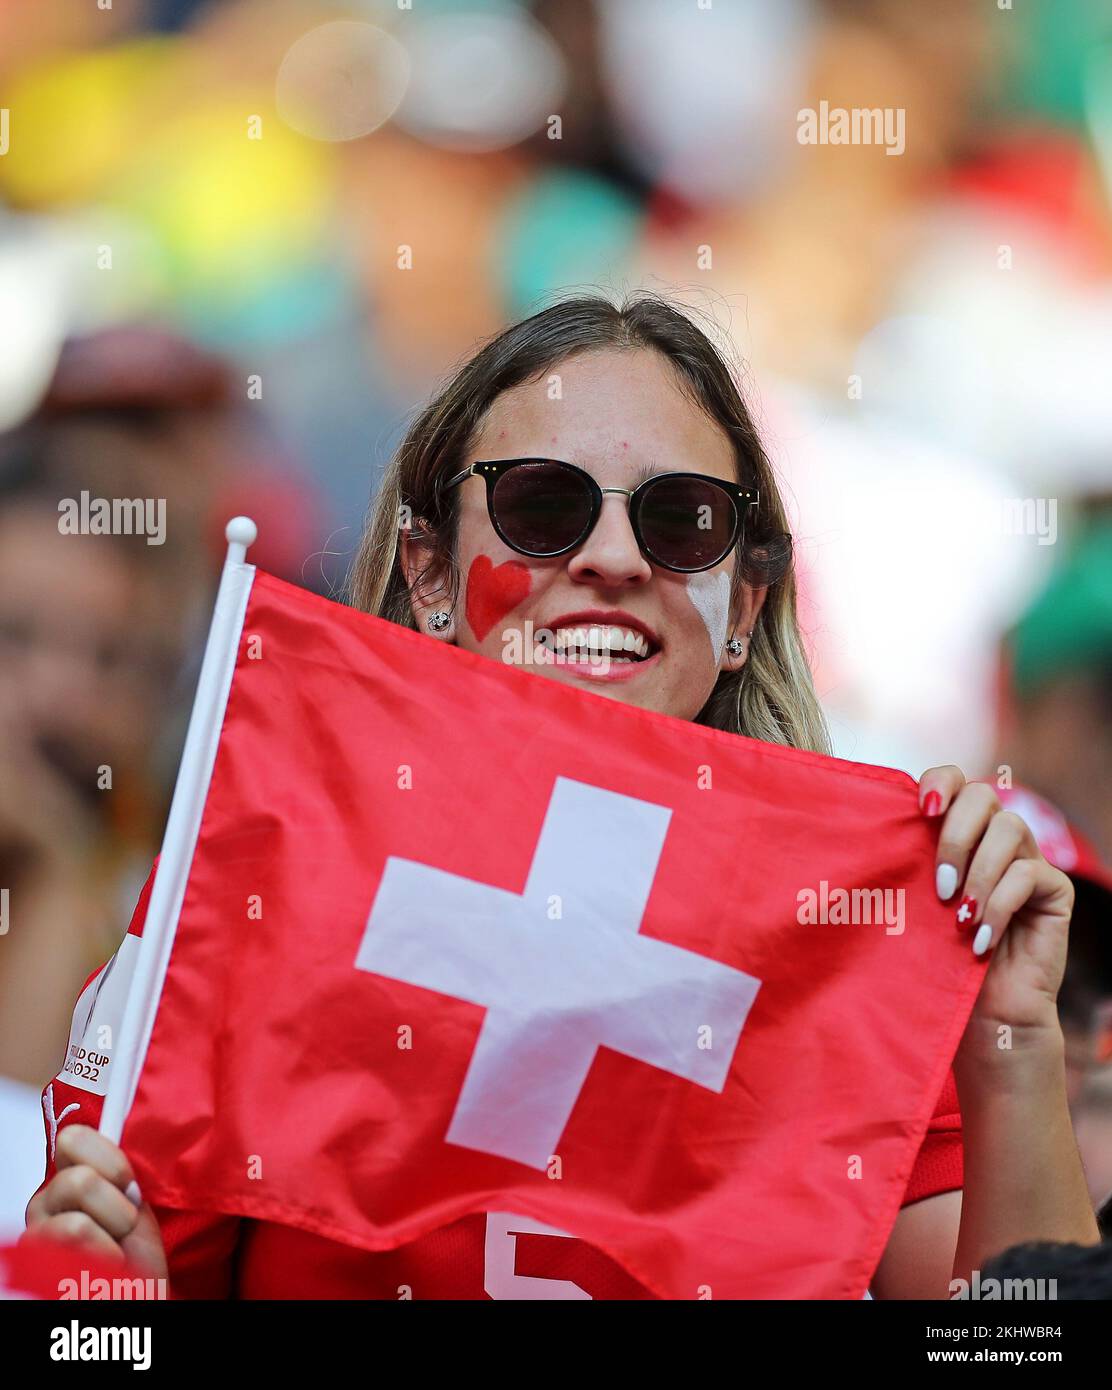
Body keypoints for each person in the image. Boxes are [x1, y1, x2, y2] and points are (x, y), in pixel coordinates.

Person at [24, 294, 1101, 1298]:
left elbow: (1016, 1355)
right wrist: (101, 1311)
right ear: (431, 571)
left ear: (744, 604)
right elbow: (108, 1327)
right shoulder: (257, 865)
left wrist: (1010, 1037)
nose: (614, 557)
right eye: (544, 505)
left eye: (681, 521)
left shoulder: (851, 938)